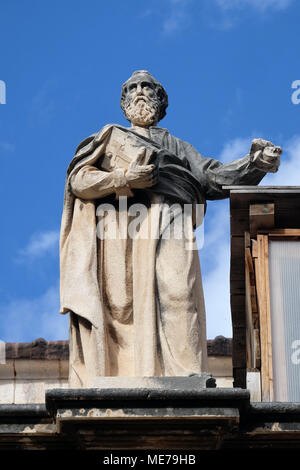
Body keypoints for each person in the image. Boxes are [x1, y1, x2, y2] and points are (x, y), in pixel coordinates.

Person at [60, 70, 281, 387]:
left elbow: (213, 177)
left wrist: (254, 163)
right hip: (119, 226)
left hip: (173, 219)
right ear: (124, 102)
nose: (139, 91)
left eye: (146, 86)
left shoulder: (177, 146)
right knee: (120, 306)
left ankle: (186, 374)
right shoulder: (109, 138)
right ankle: (119, 374)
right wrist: (125, 179)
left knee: (179, 292)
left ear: (160, 100)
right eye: (132, 88)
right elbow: (79, 181)